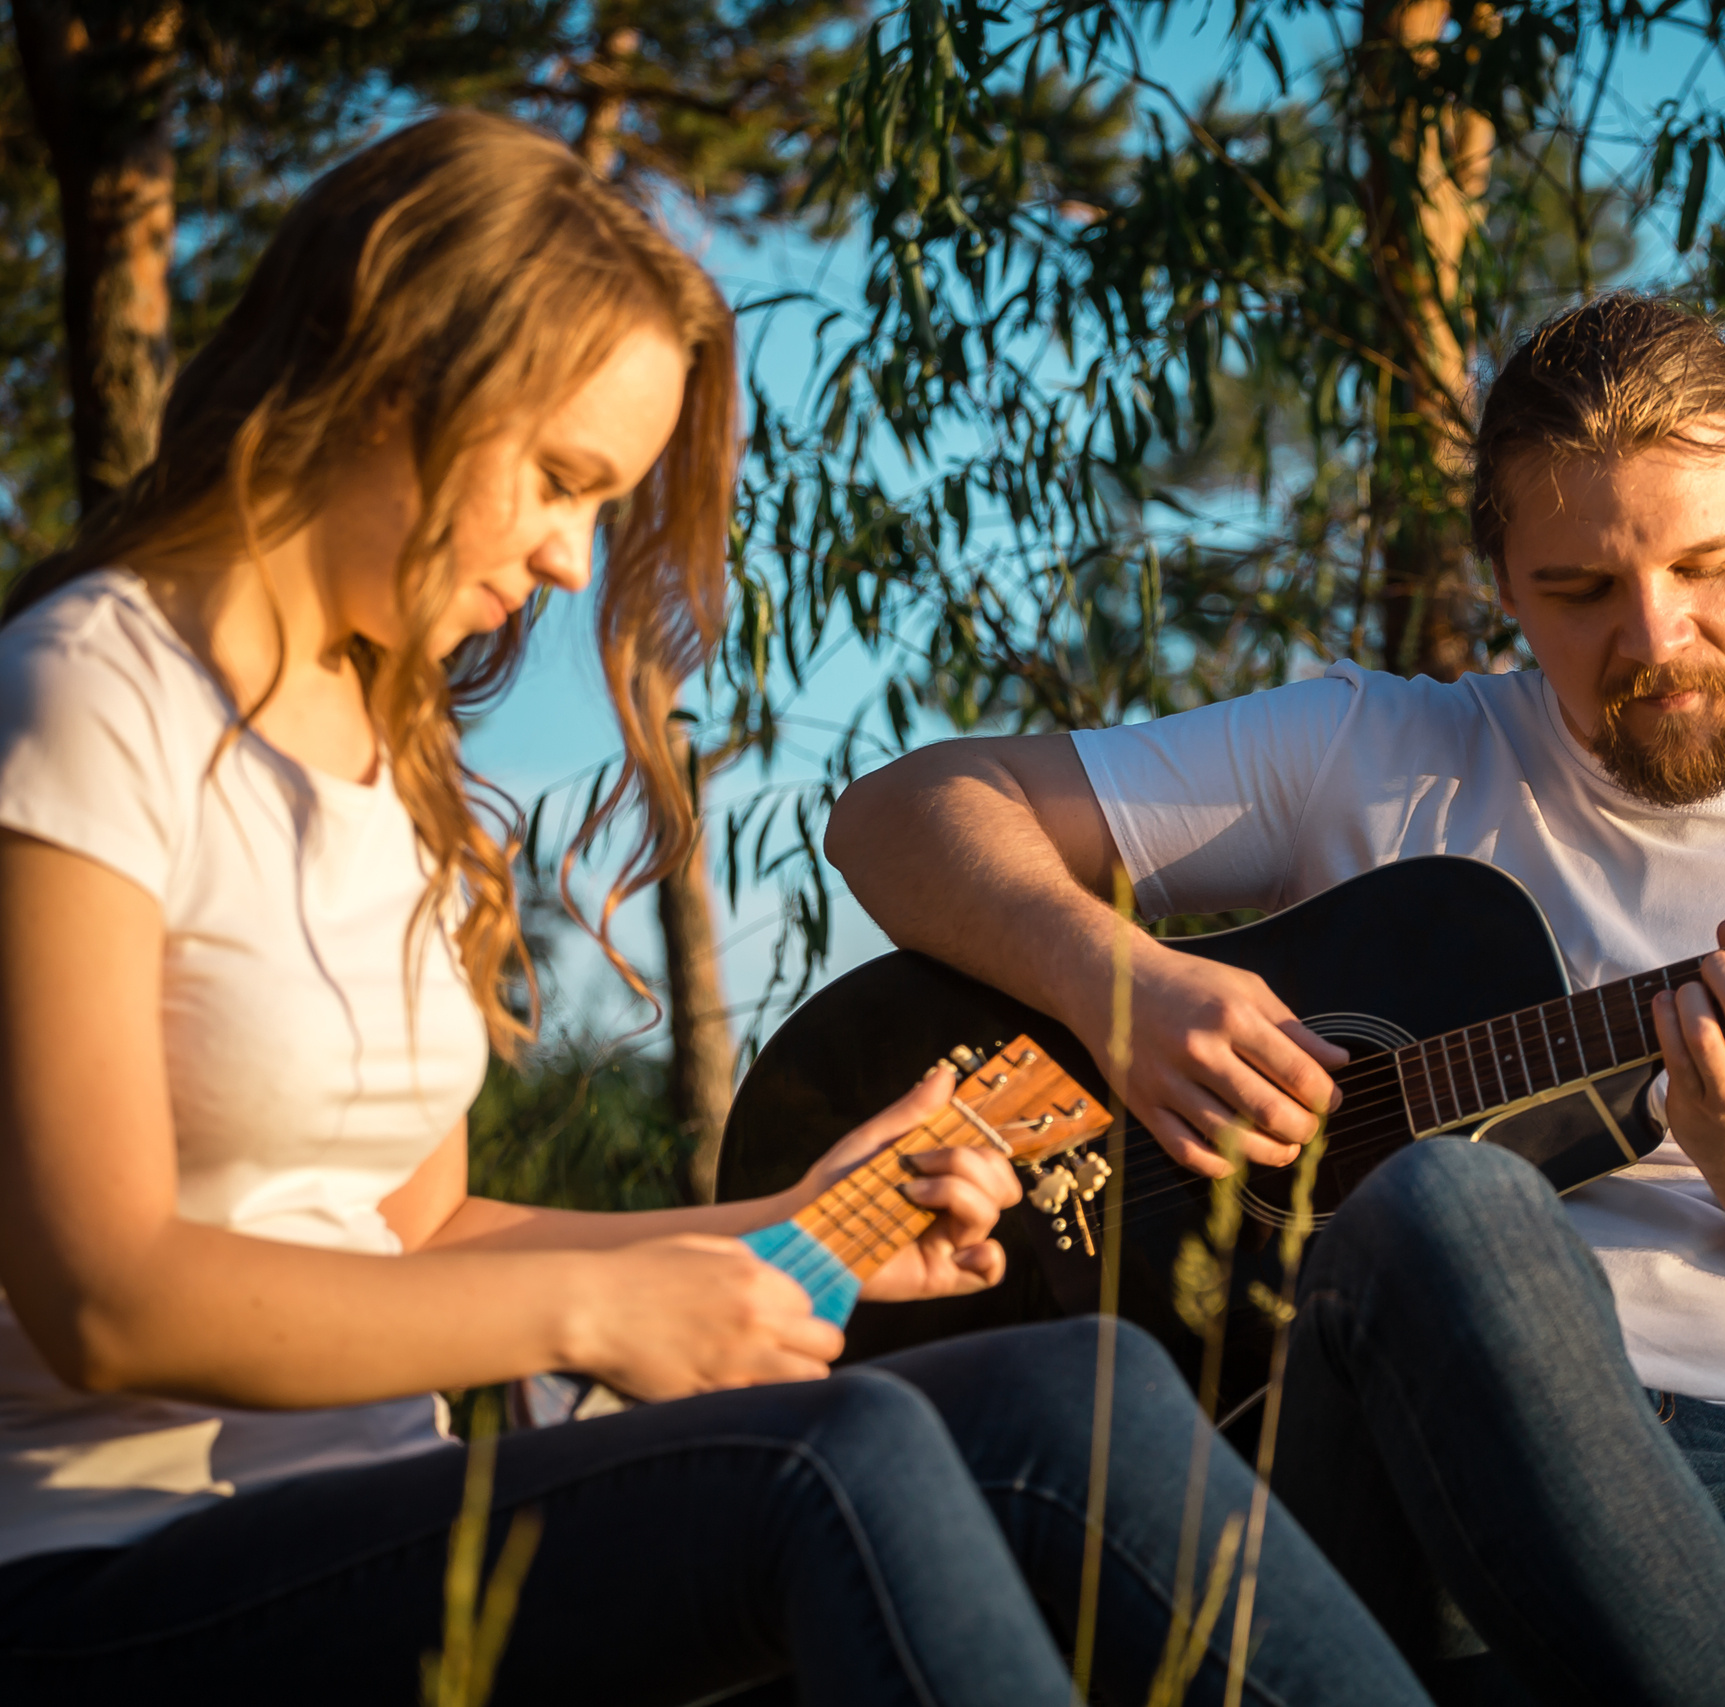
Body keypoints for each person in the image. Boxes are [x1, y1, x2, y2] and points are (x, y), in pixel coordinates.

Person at [0, 111, 1432, 1707]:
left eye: (599, 506)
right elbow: (103, 1298)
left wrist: (778, 1232)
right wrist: (606, 1303)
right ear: (391, 376)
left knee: (1066, 1390)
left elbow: (422, 1239)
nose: (565, 560)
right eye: (558, 479)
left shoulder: (384, 756)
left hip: (370, 1515)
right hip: (95, 1569)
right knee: (846, 1456)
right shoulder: (83, 700)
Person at [832, 291, 1725, 1704]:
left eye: (1709, 564)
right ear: (1502, 578)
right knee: (1454, 1204)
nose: (1655, 636)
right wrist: (1117, 982)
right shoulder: (1369, 751)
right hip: (1371, 1453)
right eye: (1579, 591)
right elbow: (902, 812)